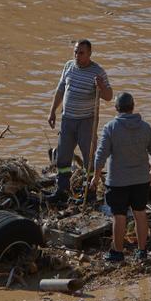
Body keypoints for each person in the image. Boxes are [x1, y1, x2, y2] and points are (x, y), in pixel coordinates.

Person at [90, 92, 151, 263]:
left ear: (116, 108)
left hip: (118, 181)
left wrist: (95, 177)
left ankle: (118, 253)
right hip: (141, 180)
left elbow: (100, 157)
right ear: (133, 107)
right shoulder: (145, 127)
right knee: (140, 213)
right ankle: (142, 251)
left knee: (119, 216)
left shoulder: (110, 127)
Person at [46, 39, 112, 203]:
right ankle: (62, 190)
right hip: (67, 119)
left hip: (86, 121)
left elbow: (109, 96)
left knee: (89, 157)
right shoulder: (68, 66)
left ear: (89, 54)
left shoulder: (97, 72)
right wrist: (52, 111)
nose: (77, 55)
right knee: (63, 155)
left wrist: (101, 86)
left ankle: (89, 193)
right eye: (75, 51)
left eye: (81, 52)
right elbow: (61, 89)